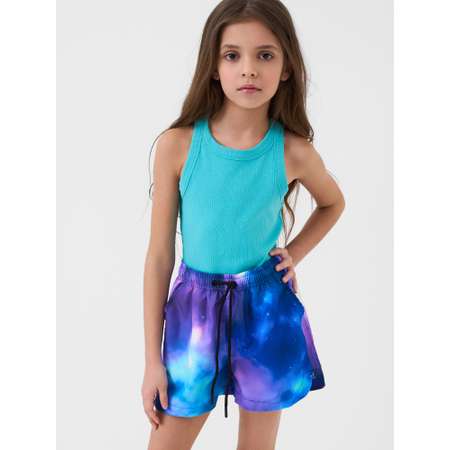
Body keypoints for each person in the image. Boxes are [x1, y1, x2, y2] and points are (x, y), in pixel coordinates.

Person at [142, 1, 345, 448]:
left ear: (286, 67)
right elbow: (159, 257)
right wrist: (152, 360)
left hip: (264, 309)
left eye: (265, 55)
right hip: (192, 314)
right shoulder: (177, 146)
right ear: (213, 67)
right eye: (232, 55)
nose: (249, 69)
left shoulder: (293, 151)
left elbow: (333, 203)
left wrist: (294, 253)